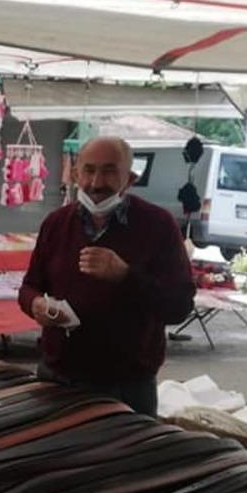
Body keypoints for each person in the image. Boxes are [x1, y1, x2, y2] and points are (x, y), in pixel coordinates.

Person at [18, 136, 195, 416]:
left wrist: (126, 276)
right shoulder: (56, 223)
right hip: (57, 376)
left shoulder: (158, 226)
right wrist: (36, 304)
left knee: (126, 459)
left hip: (127, 385)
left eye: (110, 171)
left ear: (130, 178)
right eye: (88, 170)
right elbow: (29, 287)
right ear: (75, 175)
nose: (96, 182)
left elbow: (180, 306)